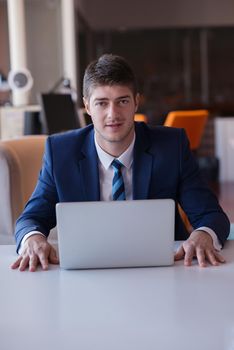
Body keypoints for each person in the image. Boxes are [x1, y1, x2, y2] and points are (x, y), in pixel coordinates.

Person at [11, 54, 230, 272]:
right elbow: (30, 219)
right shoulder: (61, 152)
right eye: (101, 103)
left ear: (136, 101)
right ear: (87, 106)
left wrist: (203, 234)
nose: (112, 114)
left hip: (162, 269)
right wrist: (33, 238)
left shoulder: (172, 147)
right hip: (88, 272)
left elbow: (211, 215)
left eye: (122, 101)